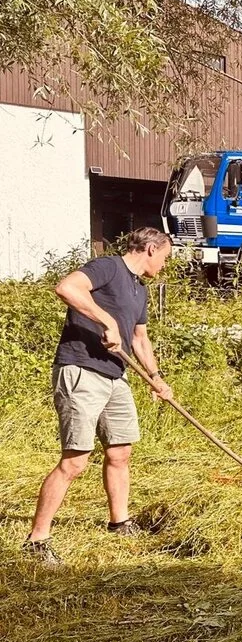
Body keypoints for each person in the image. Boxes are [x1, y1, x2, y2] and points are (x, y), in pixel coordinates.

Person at [22, 227, 175, 566]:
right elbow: (66, 287)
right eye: (164, 257)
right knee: (75, 461)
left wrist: (156, 377)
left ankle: (119, 522)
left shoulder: (139, 290)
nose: (164, 264)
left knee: (121, 452)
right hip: (81, 368)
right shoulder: (108, 267)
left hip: (115, 376)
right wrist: (105, 319)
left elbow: (140, 340)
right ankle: (37, 540)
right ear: (151, 249)